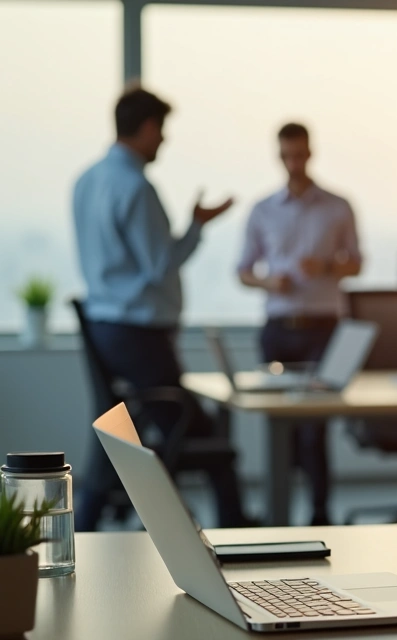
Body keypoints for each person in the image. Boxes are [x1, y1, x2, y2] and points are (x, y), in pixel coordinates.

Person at [73, 87, 253, 530]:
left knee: (114, 433)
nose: (164, 142)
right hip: (140, 336)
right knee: (208, 440)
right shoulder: (136, 186)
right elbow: (159, 265)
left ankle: (84, 529)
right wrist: (196, 227)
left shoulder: (86, 179)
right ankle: (237, 529)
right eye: (163, 131)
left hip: (106, 327)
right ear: (149, 127)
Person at [237, 123, 362, 526]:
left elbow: (357, 262)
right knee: (281, 430)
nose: (294, 162)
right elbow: (243, 271)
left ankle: (320, 514)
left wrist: (326, 265)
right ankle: (279, 518)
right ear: (280, 156)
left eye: (300, 154)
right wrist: (269, 281)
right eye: (287, 155)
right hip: (278, 327)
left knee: (314, 429)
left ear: (311, 153)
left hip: (323, 327)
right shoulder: (262, 210)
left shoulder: (338, 206)